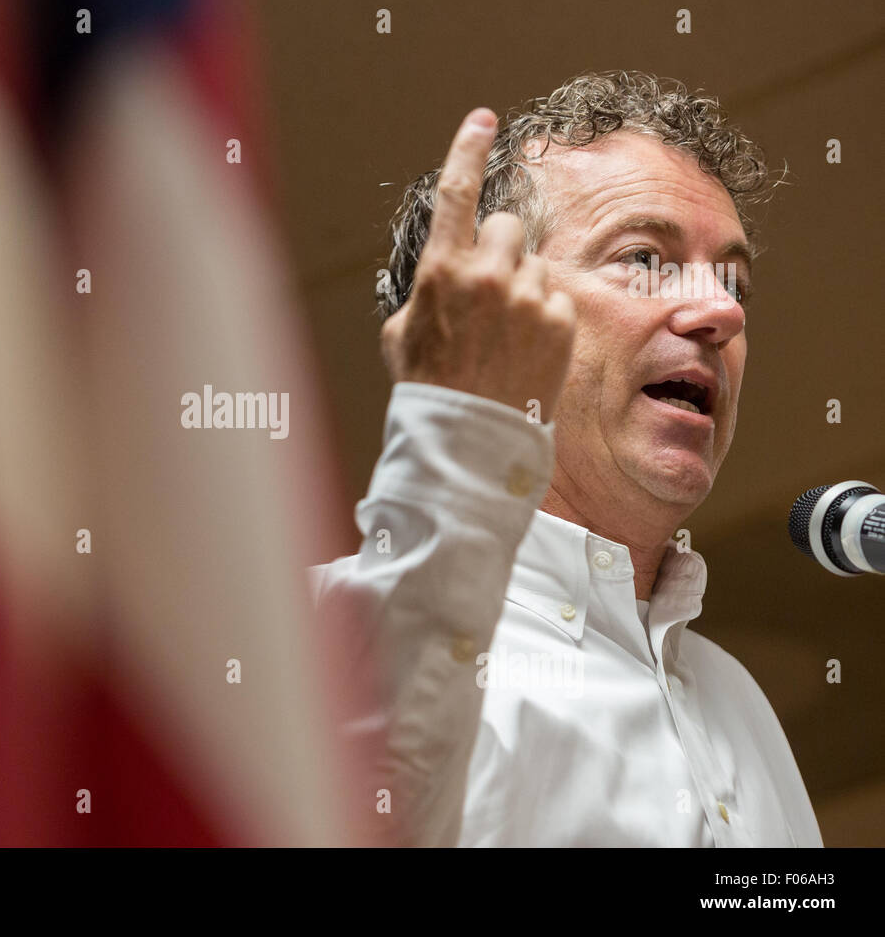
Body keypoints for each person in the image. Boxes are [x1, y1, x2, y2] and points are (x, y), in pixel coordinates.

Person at [310, 71, 822, 846]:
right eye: (645, 258)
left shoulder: (736, 701)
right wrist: (461, 423)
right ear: (492, 312)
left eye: (734, 282)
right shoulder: (333, 633)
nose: (721, 312)